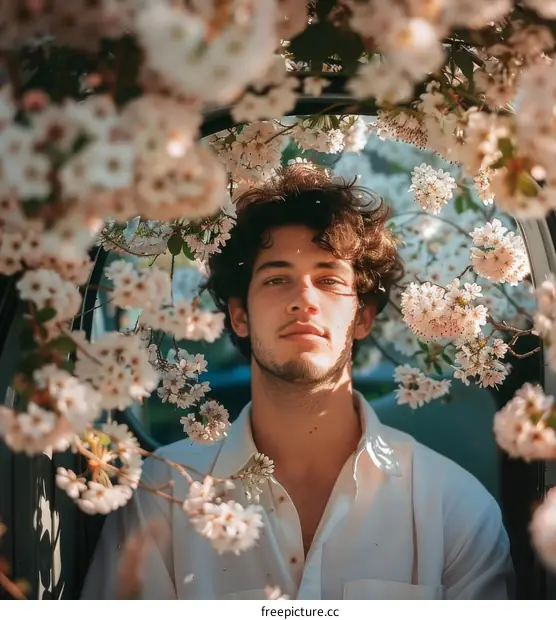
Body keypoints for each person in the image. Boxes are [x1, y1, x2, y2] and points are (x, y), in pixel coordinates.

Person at [81, 164, 513, 600]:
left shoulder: (454, 507)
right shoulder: (165, 493)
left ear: (362, 316)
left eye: (328, 279)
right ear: (239, 315)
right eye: (276, 278)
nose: (304, 298)